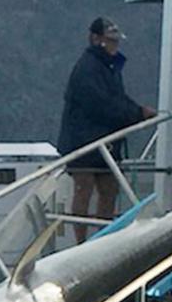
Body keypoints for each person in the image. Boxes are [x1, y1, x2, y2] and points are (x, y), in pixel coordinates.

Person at [57, 17, 156, 243]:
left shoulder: (109, 68)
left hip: (106, 141)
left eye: (116, 41)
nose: (114, 46)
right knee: (84, 189)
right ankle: (80, 243)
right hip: (82, 142)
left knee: (109, 189)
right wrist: (136, 114)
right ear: (96, 39)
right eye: (110, 41)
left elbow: (117, 99)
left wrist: (137, 110)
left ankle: (104, 238)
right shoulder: (87, 69)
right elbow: (102, 105)